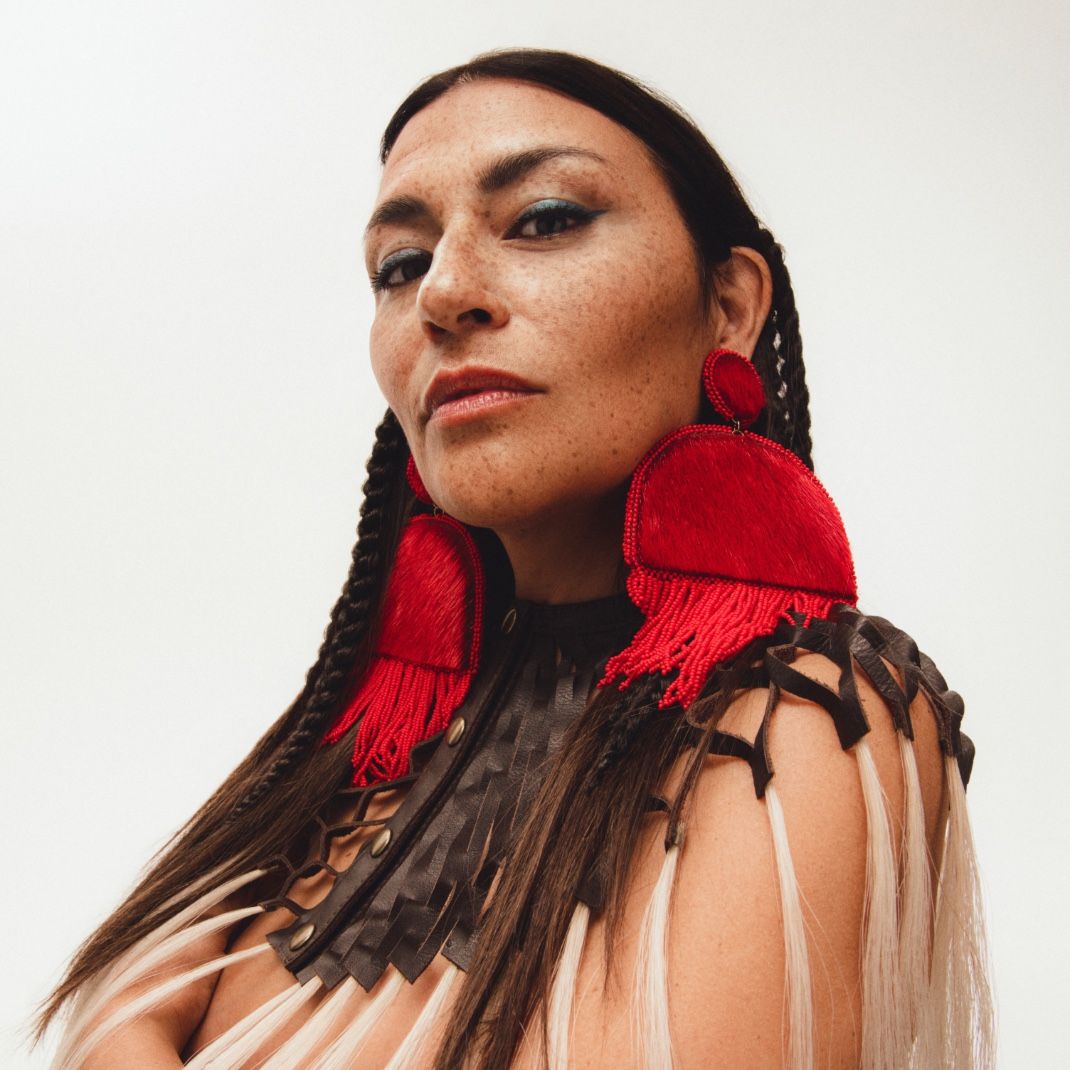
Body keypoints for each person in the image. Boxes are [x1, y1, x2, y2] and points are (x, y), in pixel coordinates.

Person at [32, 48, 993, 1070]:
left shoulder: (813, 715)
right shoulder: (353, 742)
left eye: (544, 218)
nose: (443, 293)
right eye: (400, 264)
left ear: (729, 308)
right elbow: (116, 1004)